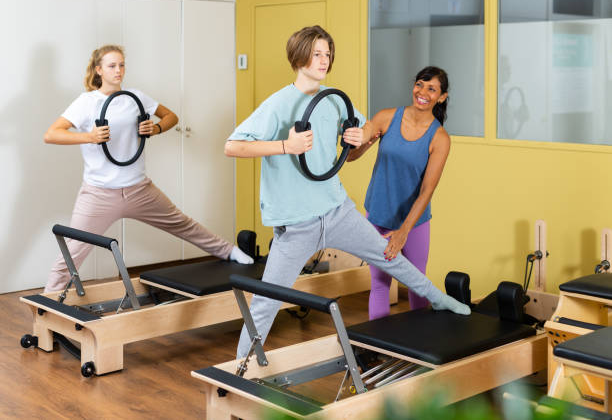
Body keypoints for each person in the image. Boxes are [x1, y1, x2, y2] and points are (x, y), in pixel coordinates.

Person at [224, 26, 470, 359]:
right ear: (299, 56)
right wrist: (287, 145)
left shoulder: (335, 99)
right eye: (317, 53)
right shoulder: (278, 104)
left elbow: (357, 143)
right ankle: (240, 367)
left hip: (337, 210)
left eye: (327, 54)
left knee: (393, 259)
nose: (323, 60)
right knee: (267, 300)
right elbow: (232, 146)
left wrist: (359, 141)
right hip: (297, 223)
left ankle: (441, 299)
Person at [43, 44, 252, 293]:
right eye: (112, 66)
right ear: (99, 70)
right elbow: (52, 134)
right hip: (99, 193)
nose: (118, 70)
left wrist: (156, 128)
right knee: (73, 249)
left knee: (181, 223)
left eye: (122, 65)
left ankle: (229, 251)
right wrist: (89, 136)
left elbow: (171, 117)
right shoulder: (87, 102)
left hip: (138, 188)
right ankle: (48, 305)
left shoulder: (135, 97)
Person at [347, 66, 451, 320]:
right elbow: (353, 155)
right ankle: (377, 352)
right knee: (380, 283)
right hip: (378, 214)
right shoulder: (386, 117)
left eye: (431, 88)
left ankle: (419, 348)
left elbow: (427, 190)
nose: (422, 92)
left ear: (442, 97)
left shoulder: (440, 138)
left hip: (413, 222)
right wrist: (362, 139)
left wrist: (403, 231)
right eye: (419, 84)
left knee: (416, 285)